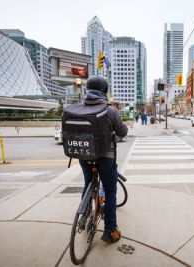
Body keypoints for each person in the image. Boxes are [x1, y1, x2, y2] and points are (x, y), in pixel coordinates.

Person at [78, 76, 128, 243]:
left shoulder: (79, 108)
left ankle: (84, 216)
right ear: (104, 91)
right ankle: (110, 231)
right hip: (106, 158)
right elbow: (122, 132)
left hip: (85, 156)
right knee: (110, 191)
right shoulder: (110, 110)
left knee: (87, 184)